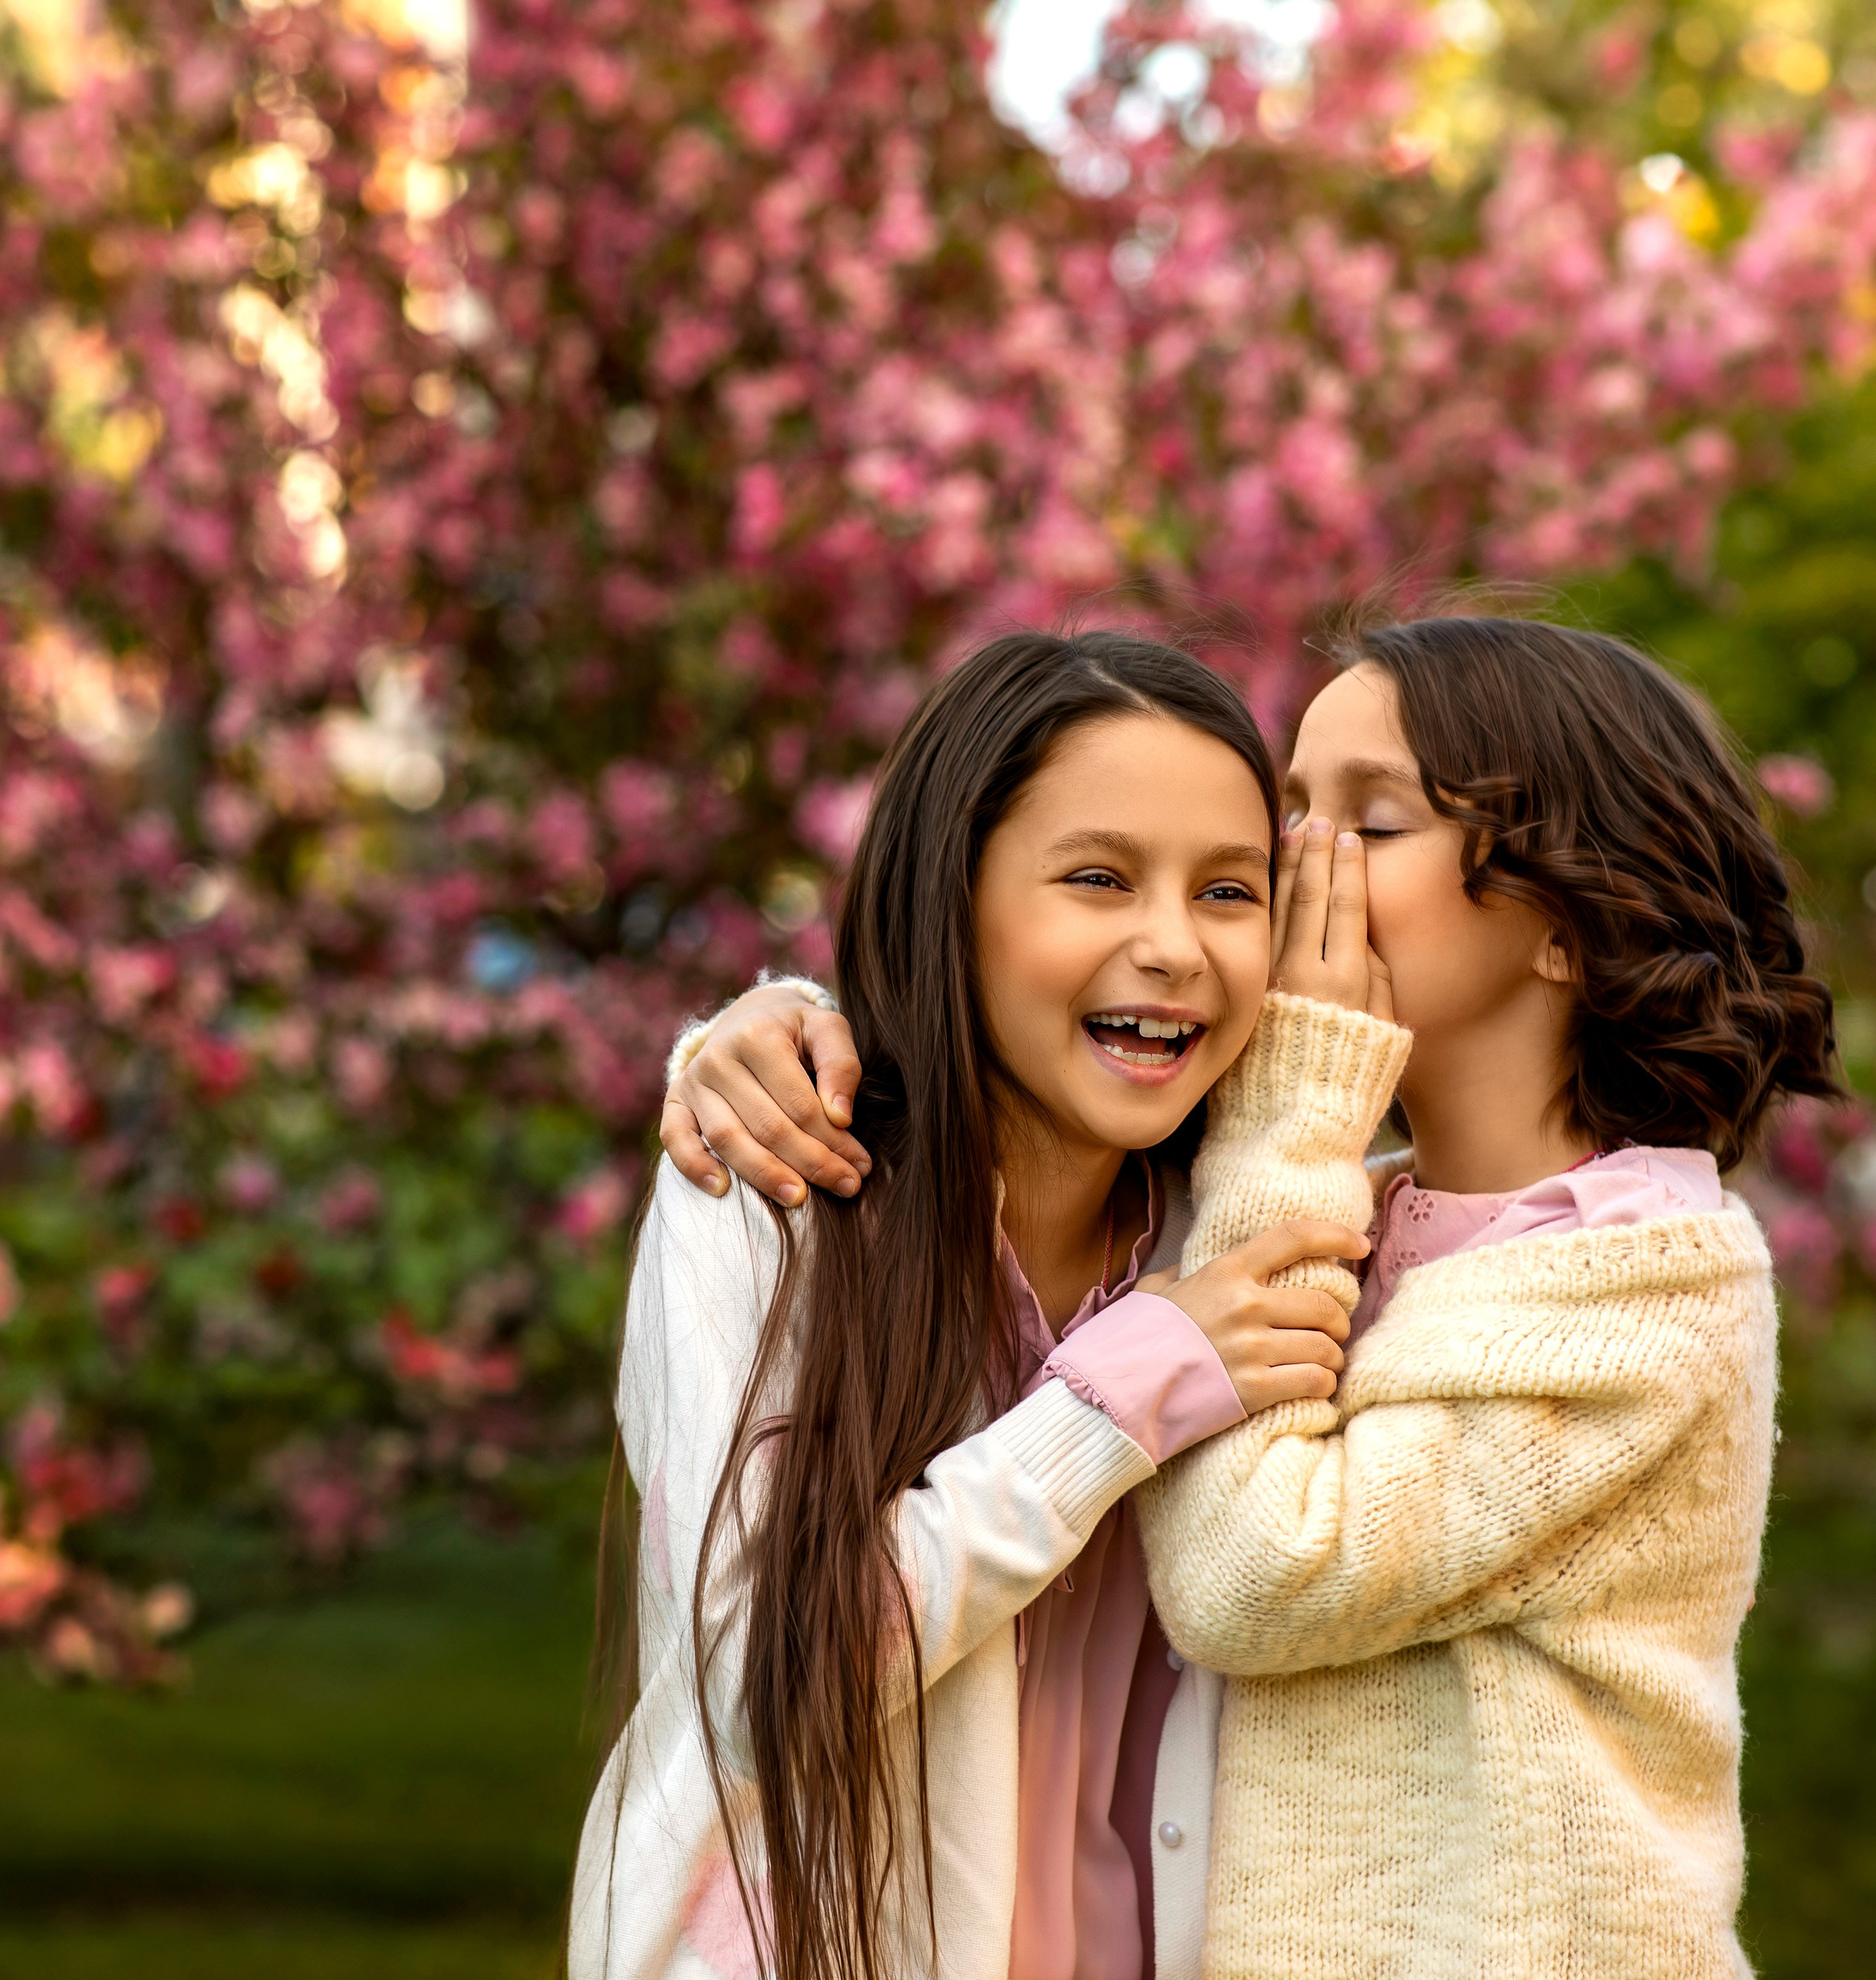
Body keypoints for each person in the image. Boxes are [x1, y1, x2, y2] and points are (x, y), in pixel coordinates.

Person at [660, 616, 1840, 1978]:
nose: (1295, 881)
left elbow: (1246, 1576)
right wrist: (766, 1030)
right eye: (1290, 824)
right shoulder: (1345, 1196)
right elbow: (1003, 1052)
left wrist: (1297, 1105)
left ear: (1572, 923)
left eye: (1370, 826)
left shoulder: (1648, 1284)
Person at [570, 628, 1383, 1980]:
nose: (1173, 946)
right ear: (950, 898)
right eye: (1097, 878)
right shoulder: (771, 1195)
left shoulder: (1232, 1235)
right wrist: (1120, 1400)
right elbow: (763, 1689)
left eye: (1231, 892)